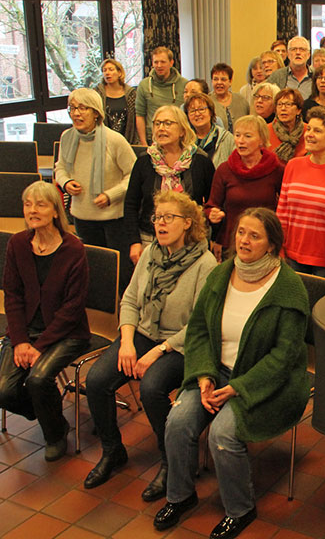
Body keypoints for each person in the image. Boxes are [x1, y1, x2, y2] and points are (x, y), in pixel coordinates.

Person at [155, 209, 310, 537]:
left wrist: (238, 386)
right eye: (241, 232)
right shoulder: (221, 274)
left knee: (222, 435)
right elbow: (197, 330)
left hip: (264, 382)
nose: (244, 240)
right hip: (215, 372)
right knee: (177, 422)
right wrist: (203, 374)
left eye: (254, 236)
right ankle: (180, 496)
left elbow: (285, 357)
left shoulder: (289, 288)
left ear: (271, 245)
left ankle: (240, 509)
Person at [84, 191, 216, 498]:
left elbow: (198, 324)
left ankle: (172, 462)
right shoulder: (150, 253)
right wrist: (127, 341)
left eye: (169, 217)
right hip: (142, 333)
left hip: (179, 344)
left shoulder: (205, 262)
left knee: (152, 388)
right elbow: (130, 299)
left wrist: (158, 351)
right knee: (97, 379)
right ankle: (112, 450)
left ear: (187, 223)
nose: (160, 224)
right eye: (157, 217)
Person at [0, 181, 89, 462]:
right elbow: (12, 296)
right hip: (26, 331)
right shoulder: (17, 244)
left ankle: (55, 433)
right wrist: (21, 341)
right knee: (3, 389)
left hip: (67, 333)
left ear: (55, 210)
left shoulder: (73, 249)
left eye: (40, 204)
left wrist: (40, 346)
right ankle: (47, 413)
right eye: (27, 204)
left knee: (38, 380)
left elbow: (73, 308)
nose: (32, 210)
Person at [55, 88, 137, 290]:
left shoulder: (115, 140)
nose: (76, 113)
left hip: (114, 219)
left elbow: (134, 176)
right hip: (82, 216)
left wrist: (111, 195)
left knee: (120, 274)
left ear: (96, 113)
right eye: (72, 108)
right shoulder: (67, 137)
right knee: (93, 272)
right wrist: (66, 182)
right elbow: (60, 168)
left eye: (82, 108)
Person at [124, 105, 215, 266]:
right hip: (150, 238)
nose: (161, 128)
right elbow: (131, 204)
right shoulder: (144, 162)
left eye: (167, 123)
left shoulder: (201, 162)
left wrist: (213, 237)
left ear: (182, 130)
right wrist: (133, 241)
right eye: (157, 123)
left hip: (190, 240)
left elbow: (212, 202)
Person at [276, 107, 325, 279]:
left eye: (317, 131)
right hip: (292, 257)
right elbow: (282, 212)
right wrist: (280, 248)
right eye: (309, 129)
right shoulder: (293, 165)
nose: (309, 134)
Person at [205, 115, 285, 260]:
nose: (240, 141)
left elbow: (284, 208)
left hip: (264, 244)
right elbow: (211, 205)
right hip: (230, 243)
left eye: (247, 136)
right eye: (237, 135)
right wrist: (212, 214)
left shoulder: (276, 169)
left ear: (261, 140)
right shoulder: (225, 170)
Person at [135, 46, 188, 144]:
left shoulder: (184, 84)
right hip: (152, 139)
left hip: (178, 139)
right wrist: (144, 143)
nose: (159, 65)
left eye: (163, 62)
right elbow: (140, 115)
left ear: (171, 63)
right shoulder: (144, 85)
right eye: (156, 62)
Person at [95, 57, 139, 145]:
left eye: (111, 70)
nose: (107, 73)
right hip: (104, 141)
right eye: (104, 70)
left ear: (119, 73)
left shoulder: (131, 93)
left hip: (127, 139)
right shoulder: (97, 93)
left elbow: (136, 117)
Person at [185, 92, 234, 167]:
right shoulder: (185, 140)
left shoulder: (226, 138)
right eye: (192, 111)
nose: (197, 114)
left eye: (201, 109)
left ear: (211, 112)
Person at [268, 88, 306, 163]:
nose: (283, 108)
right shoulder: (265, 130)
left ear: (298, 110)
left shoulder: (308, 131)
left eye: (288, 104)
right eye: (279, 104)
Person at [209, 63, 249, 130]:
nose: (219, 82)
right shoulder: (207, 101)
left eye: (223, 79)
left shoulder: (241, 100)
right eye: (215, 79)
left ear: (230, 81)